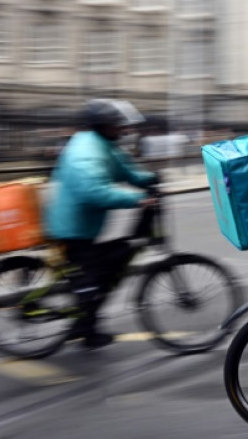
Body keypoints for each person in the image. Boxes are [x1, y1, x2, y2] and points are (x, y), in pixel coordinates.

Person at [44, 99, 159, 348]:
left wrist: (151, 179)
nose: (123, 130)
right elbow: (93, 191)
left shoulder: (105, 145)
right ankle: (85, 327)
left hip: (85, 227)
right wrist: (139, 199)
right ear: (103, 126)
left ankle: (86, 326)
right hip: (71, 230)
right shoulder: (85, 151)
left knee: (111, 264)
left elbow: (125, 171)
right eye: (118, 125)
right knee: (92, 279)